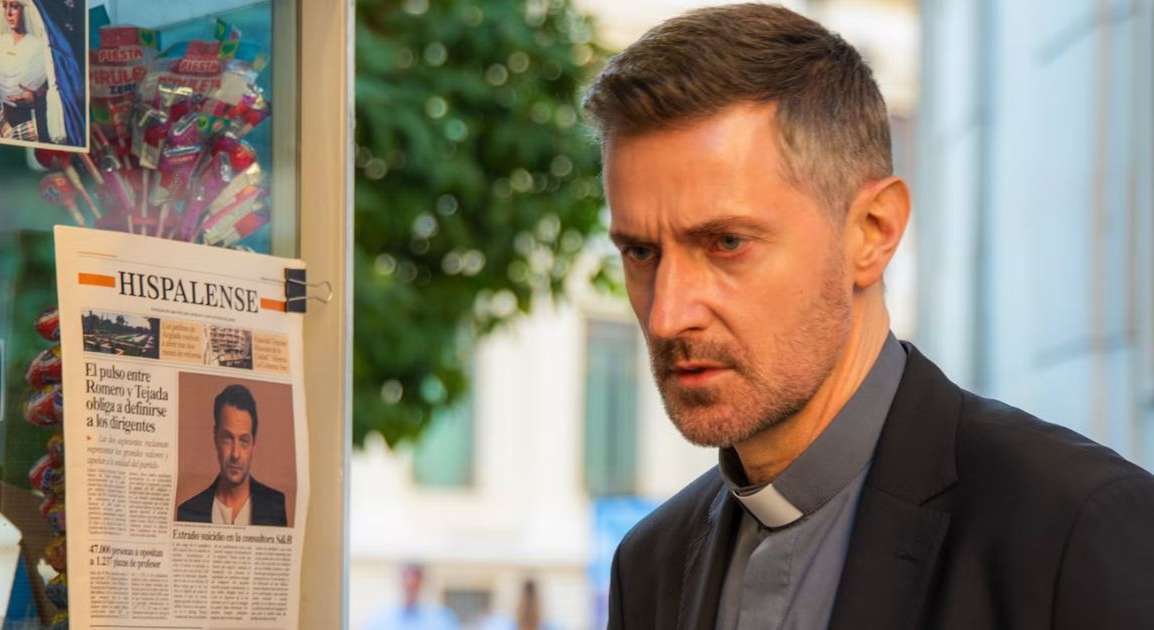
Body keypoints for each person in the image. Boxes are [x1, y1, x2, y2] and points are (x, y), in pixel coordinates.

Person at [583, 4, 1154, 629]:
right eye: (640, 252)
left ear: (872, 232)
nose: (667, 315)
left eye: (726, 243)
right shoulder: (649, 564)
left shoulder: (1075, 529)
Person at [0, 0, 84, 145]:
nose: (8, 13)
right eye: (5, 6)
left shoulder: (44, 51)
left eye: (14, 7)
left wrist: (38, 98)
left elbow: (66, 92)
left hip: (31, 125)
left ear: (26, 10)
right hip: (1, 121)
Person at [177, 384, 287, 526]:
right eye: (227, 438)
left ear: (254, 443)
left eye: (244, 441)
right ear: (215, 437)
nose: (235, 454)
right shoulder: (188, 512)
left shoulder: (275, 507)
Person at [366, 564, 459, 630]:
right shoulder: (380, 619)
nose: (411, 591)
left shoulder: (442, 619)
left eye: (414, 586)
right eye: (407, 586)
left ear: (422, 584)